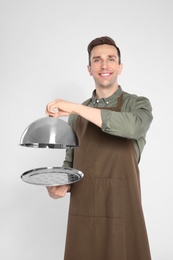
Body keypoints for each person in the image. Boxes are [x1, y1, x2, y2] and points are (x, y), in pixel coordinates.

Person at [46, 36, 153, 260]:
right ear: (89, 68)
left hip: (122, 213)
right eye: (97, 60)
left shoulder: (138, 104)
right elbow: (71, 165)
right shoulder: (76, 116)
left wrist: (75, 107)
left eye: (110, 59)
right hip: (83, 215)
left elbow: (132, 128)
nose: (104, 65)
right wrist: (61, 185)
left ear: (120, 67)